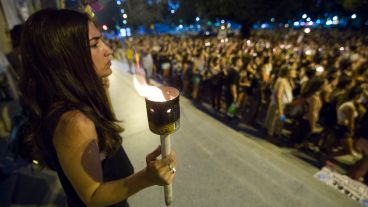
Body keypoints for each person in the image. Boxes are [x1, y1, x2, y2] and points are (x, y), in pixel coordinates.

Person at [19, 9, 177, 207]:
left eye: (101, 41)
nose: (107, 49)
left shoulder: (80, 98)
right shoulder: (74, 123)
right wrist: (146, 178)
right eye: (94, 44)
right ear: (65, 56)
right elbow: (92, 196)